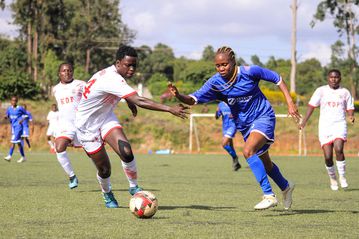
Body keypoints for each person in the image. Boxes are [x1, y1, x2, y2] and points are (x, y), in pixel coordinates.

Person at [168, 46, 301, 210]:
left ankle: (268, 195)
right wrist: (178, 95)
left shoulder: (250, 71)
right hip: (244, 126)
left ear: (233, 61)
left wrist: (290, 103)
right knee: (265, 163)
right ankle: (286, 187)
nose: (221, 68)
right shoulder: (215, 83)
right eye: (218, 65)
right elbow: (193, 99)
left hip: (263, 117)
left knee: (248, 151)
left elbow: (277, 78)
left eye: (225, 64)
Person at [75, 45, 188, 208]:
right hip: (86, 126)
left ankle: (134, 186)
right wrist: (170, 109)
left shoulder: (112, 74)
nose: (132, 69)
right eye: (129, 65)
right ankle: (107, 193)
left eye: (135, 65)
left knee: (126, 152)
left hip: (105, 117)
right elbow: (140, 100)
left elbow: (120, 93)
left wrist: (129, 101)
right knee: (105, 169)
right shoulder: (111, 78)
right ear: (118, 63)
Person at [299, 69, 355, 191]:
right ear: (328, 78)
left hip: (339, 124)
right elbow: (311, 106)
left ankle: (342, 176)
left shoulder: (345, 92)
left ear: (340, 78)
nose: (334, 79)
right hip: (325, 126)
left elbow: (350, 107)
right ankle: (333, 177)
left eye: (336, 77)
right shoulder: (321, 91)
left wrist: (350, 115)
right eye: (331, 77)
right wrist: (304, 121)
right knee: (328, 156)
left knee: (339, 149)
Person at [52, 63, 85, 189]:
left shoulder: (81, 84)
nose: (67, 73)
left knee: (93, 154)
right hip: (66, 125)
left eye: (70, 70)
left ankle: (104, 178)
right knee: (59, 147)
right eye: (64, 71)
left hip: (82, 124)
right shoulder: (55, 89)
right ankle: (72, 176)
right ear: (59, 73)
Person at [215, 101, 241, 171]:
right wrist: (217, 112)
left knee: (224, 144)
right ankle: (236, 163)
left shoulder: (234, 102)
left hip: (232, 126)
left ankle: (235, 157)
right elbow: (217, 117)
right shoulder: (221, 104)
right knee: (230, 146)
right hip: (225, 127)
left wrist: (235, 114)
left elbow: (241, 112)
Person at [4, 96, 27, 163]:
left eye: (15, 101)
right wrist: (6, 117)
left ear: (17, 101)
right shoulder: (9, 109)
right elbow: (7, 115)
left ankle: (9, 156)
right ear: (11, 101)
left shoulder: (20, 108)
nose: (13, 102)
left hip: (19, 127)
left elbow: (26, 115)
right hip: (13, 127)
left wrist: (22, 120)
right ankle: (23, 157)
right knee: (19, 143)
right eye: (12, 101)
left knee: (13, 141)